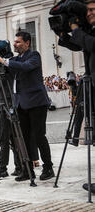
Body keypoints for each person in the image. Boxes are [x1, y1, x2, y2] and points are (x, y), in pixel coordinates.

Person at [0, 31, 55, 182]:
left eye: (18, 42)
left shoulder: (34, 56)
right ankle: (27, 170)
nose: (15, 44)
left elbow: (25, 67)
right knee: (24, 139)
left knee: (39, 136)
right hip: (21, 104)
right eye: (14, 42)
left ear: (27, 43)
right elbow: (1, 73)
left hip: (36, 103)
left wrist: (4, 61)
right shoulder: (14, 59)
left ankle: (48, 167)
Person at [59, 0, 95, 193]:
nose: (88, 13)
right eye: (87, 10)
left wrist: (76, 28)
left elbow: (90, 44)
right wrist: (64, 33)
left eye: (91, 10)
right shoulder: (89, 30)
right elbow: (79, 44)